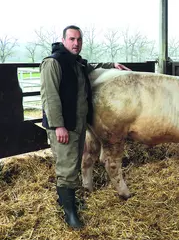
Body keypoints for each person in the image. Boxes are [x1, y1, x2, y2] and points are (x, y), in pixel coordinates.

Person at [40, 25, 130, 229]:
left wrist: (111, 64)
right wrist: (58, 126)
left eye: (79, 40)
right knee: (67, 168)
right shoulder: (53, 63)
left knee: (72, 163)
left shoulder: (76, 63)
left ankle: (67, 202)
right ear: (63, 40)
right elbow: (50, 98)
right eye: (72, 39)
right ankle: (70, 214)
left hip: (78, 124)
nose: (76, 43)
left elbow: (92, 66)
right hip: (63, 126)